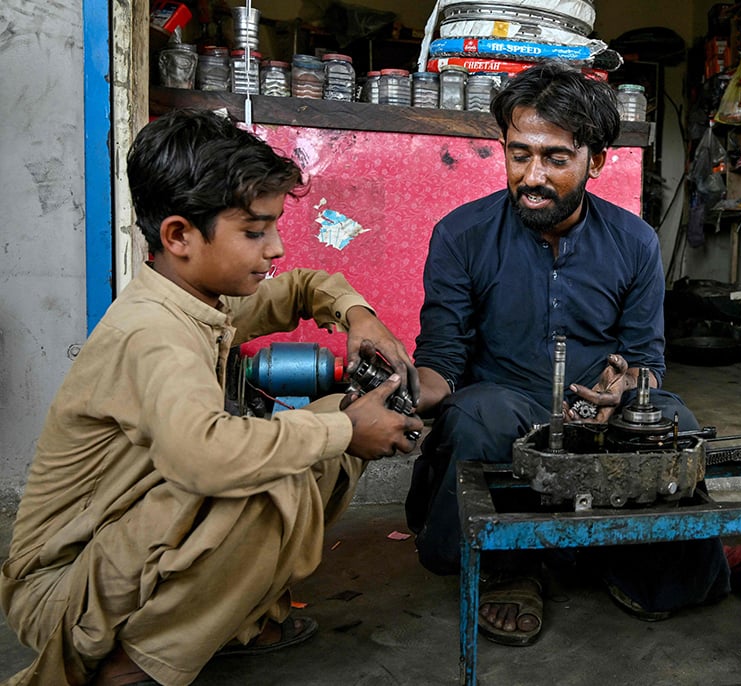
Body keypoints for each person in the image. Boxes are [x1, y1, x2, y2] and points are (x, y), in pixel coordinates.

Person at [0, 109, 424, 686]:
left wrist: (358, 315)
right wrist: (349, 430)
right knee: (275, 472)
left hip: (117, 552)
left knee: (322, 430)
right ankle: (132, 669)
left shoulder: (198, 298)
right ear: (178, 236)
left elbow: (302, 286)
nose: (274, 248)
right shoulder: (152, 333)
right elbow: (205, 457)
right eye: (253, 232)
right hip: (61, 590)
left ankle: (234, 618)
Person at [405, 61, 730, 646]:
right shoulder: (462, 234)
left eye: (555, 158)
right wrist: (404, 395)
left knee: (671, 421)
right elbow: (441, 356)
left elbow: (645, 358)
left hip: (596, 418)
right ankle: (510, 568)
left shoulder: (634, 242)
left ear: (595, 161)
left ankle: (630, 564)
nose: (532, 176)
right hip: (501, 408)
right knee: (481, 416)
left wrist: (629, 390)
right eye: (519, 154)